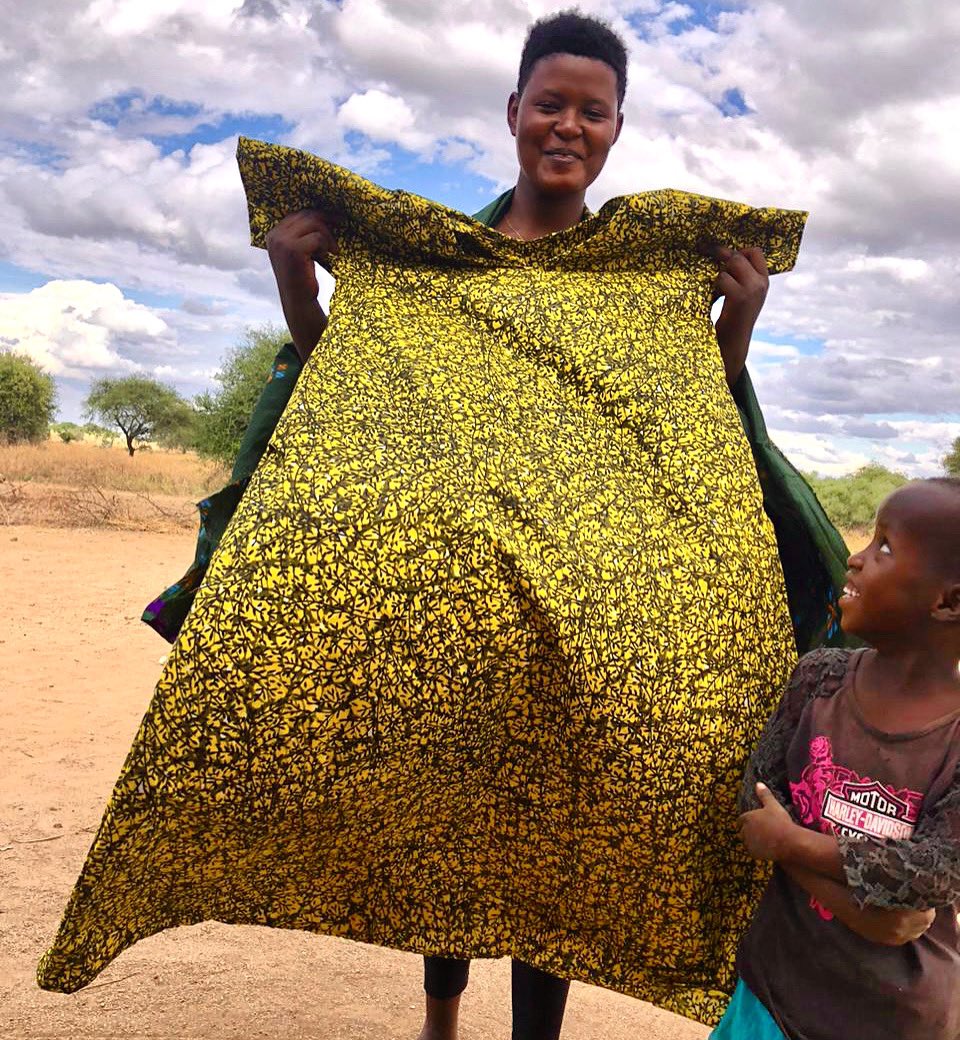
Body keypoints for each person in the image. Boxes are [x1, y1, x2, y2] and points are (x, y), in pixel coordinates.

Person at [42, 10, 844, 1039]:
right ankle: (439, 1016)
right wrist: (296, 278)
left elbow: (678, 422)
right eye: (549, 104)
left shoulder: (640, 280)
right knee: (446, 808)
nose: (567, 125)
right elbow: (349, 388)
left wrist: (736, 323)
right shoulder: (430, 262)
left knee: (550, 820)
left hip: (574, 600)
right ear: (514, 111)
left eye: (590, 111)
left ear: (616, 128)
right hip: (448, 600)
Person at [713, 477, 960, 1040]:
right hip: (772, 996)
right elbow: (755, 806)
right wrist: (868, 912)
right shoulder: (819, 679)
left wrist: (790, 843)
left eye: (885, 548)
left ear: (950, 601)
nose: (854, 558)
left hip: (893, 1020)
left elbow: (933, 874)